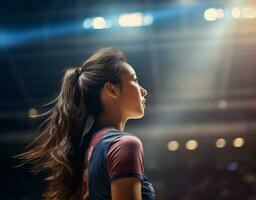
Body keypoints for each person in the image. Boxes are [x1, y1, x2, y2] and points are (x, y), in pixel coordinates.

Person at [15, 47, 155, 200]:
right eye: (134, 80)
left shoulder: (89, 147)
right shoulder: (124, 144)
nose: (143, 91)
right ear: (112, 90)